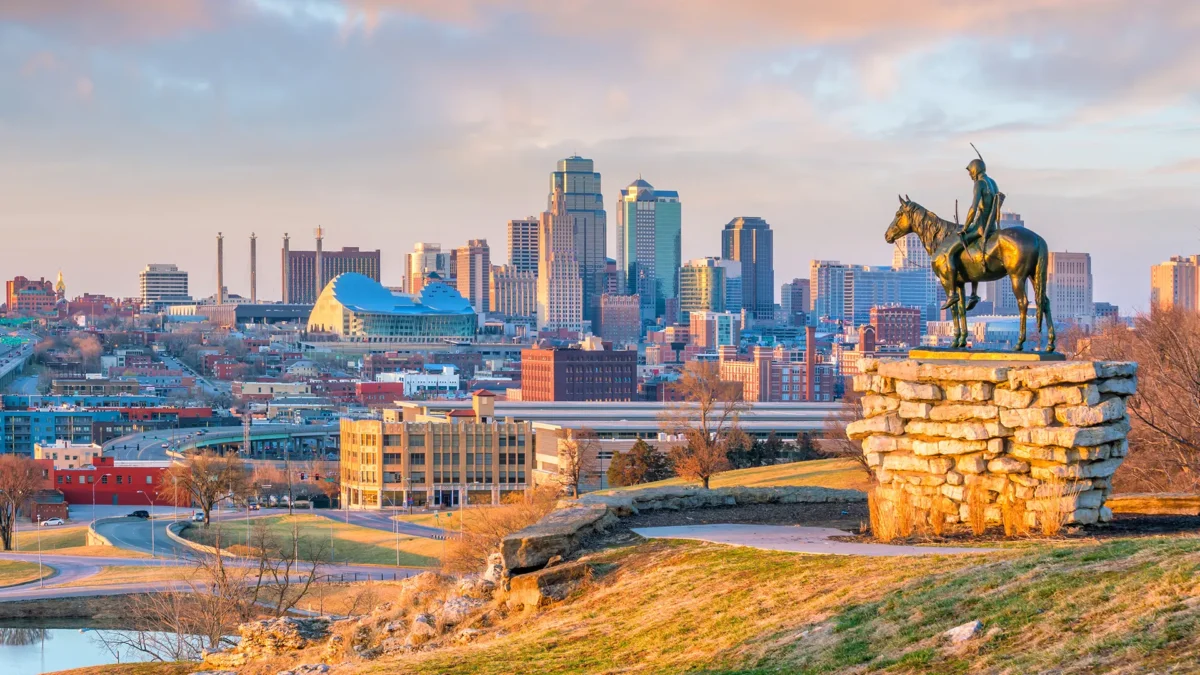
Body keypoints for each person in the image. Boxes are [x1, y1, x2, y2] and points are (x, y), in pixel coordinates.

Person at [941, 153, 1002, 310]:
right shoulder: (993, 183)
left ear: (975, 170)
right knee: (971, 254)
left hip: (980, 227)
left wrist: (965, 228)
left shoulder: (979, 184)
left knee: (950, 253)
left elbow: (973, 208)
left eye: (970, 171)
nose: (969, 175)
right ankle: (974, 294)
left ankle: (953, 293)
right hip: (992, 227)